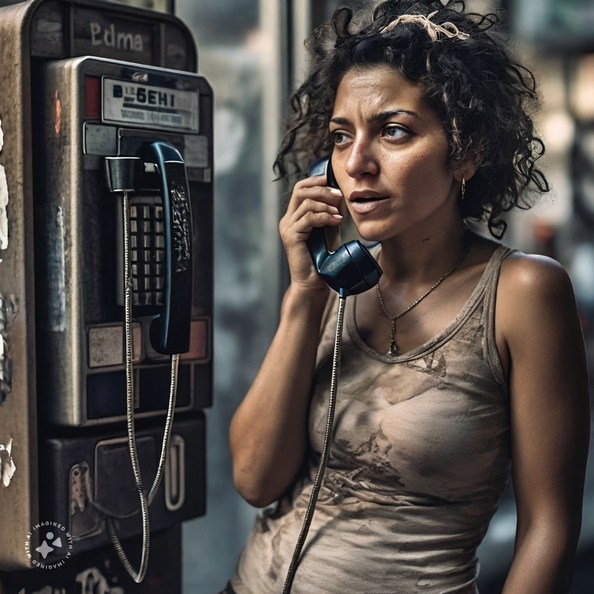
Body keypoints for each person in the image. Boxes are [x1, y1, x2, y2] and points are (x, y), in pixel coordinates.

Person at [226, 1, 591, 592]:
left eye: (393, 132)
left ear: (465, 152)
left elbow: (548, 526)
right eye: (341, 138)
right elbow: (254, 478)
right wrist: (303, 293)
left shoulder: (523, 292)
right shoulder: (336, 281)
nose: (357, 164)